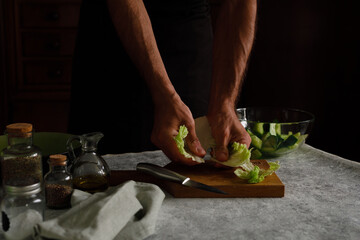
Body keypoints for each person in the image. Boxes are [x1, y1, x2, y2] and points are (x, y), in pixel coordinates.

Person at [68, 0, 256, 165]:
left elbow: (239, 3)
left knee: (192, 164)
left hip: (189, 31)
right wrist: (165, 95)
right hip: (113, 43)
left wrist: (225, 104)